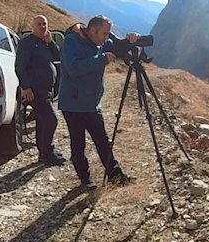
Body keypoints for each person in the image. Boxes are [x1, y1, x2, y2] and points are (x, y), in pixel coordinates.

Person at [58, 15, 140, 189]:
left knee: (102, 141)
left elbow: (117, 47)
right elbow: (74, 68)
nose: (107, 37)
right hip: (73, 105)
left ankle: (115, 176)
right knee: (79, 144)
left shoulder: (100, 42)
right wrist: (101, 59)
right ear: (93, 30)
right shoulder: (71, 42)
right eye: (104, 33)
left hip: (91, 103)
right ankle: (85, 180)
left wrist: (130, 38)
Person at [14, 15, 66, 166]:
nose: (43, 26)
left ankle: (43, 154)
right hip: (35, 91)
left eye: (45, 24)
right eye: (39, 24)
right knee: (51, 120)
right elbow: (20, 67)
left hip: (47, 90)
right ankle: (48, 153)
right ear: (32, 26)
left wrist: (50, 43)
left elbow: (57, 56)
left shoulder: (44, 42)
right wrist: (26, 87)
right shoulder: (27, 43)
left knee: (42, 121)